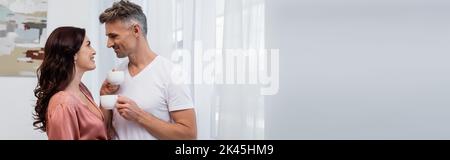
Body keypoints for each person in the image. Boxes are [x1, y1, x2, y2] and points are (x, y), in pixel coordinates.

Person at [99, 0, 197, 140]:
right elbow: (105, 130)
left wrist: (139, 115)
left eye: (113, 36)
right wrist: (103, 95)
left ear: (136, 30)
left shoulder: (170, 73)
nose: (108, 44)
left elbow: (189, 135)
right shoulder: (116, 74)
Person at [33, 26, 108, 140]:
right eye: (88, 45)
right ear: (74, 54)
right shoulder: (64, 103)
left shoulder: (82, 89)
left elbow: (98, 129)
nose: (94, 51)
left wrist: (105, 95)